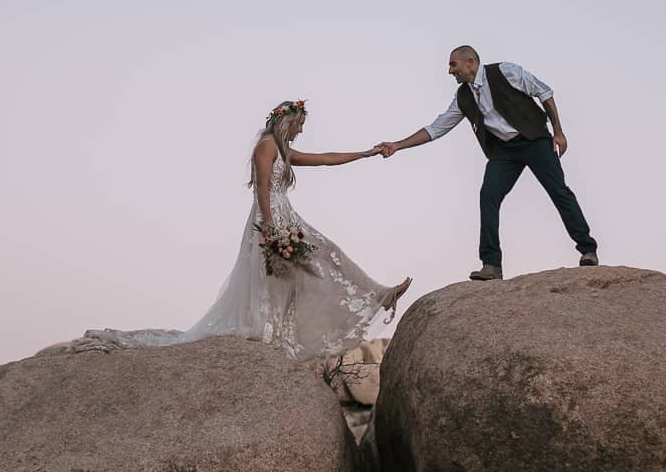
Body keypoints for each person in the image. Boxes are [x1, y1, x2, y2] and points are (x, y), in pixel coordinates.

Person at [72, 100, 411, 359]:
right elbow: (262, 188)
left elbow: (325, 158)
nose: (302, 131)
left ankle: (373, 296)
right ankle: (279, 332)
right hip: (270, 219)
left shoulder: (283, 149)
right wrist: (270, 229)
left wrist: (366, 153)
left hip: (285, 217)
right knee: (280, 276)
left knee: (320, 259)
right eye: (300, 125)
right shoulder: (266, 146)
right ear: (289, 122)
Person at [379, 46, 598, 280]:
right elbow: (436, 128)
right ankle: (491, 265)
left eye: (454, 65)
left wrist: (558, 131)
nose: (450, 71)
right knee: (488, 196)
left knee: (558, 191)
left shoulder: (506, 72)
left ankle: (587, 249)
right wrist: (397, 145)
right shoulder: (463, 97)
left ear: (471, 63)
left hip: (534, 139)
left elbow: (544, 93)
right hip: (504, 151)